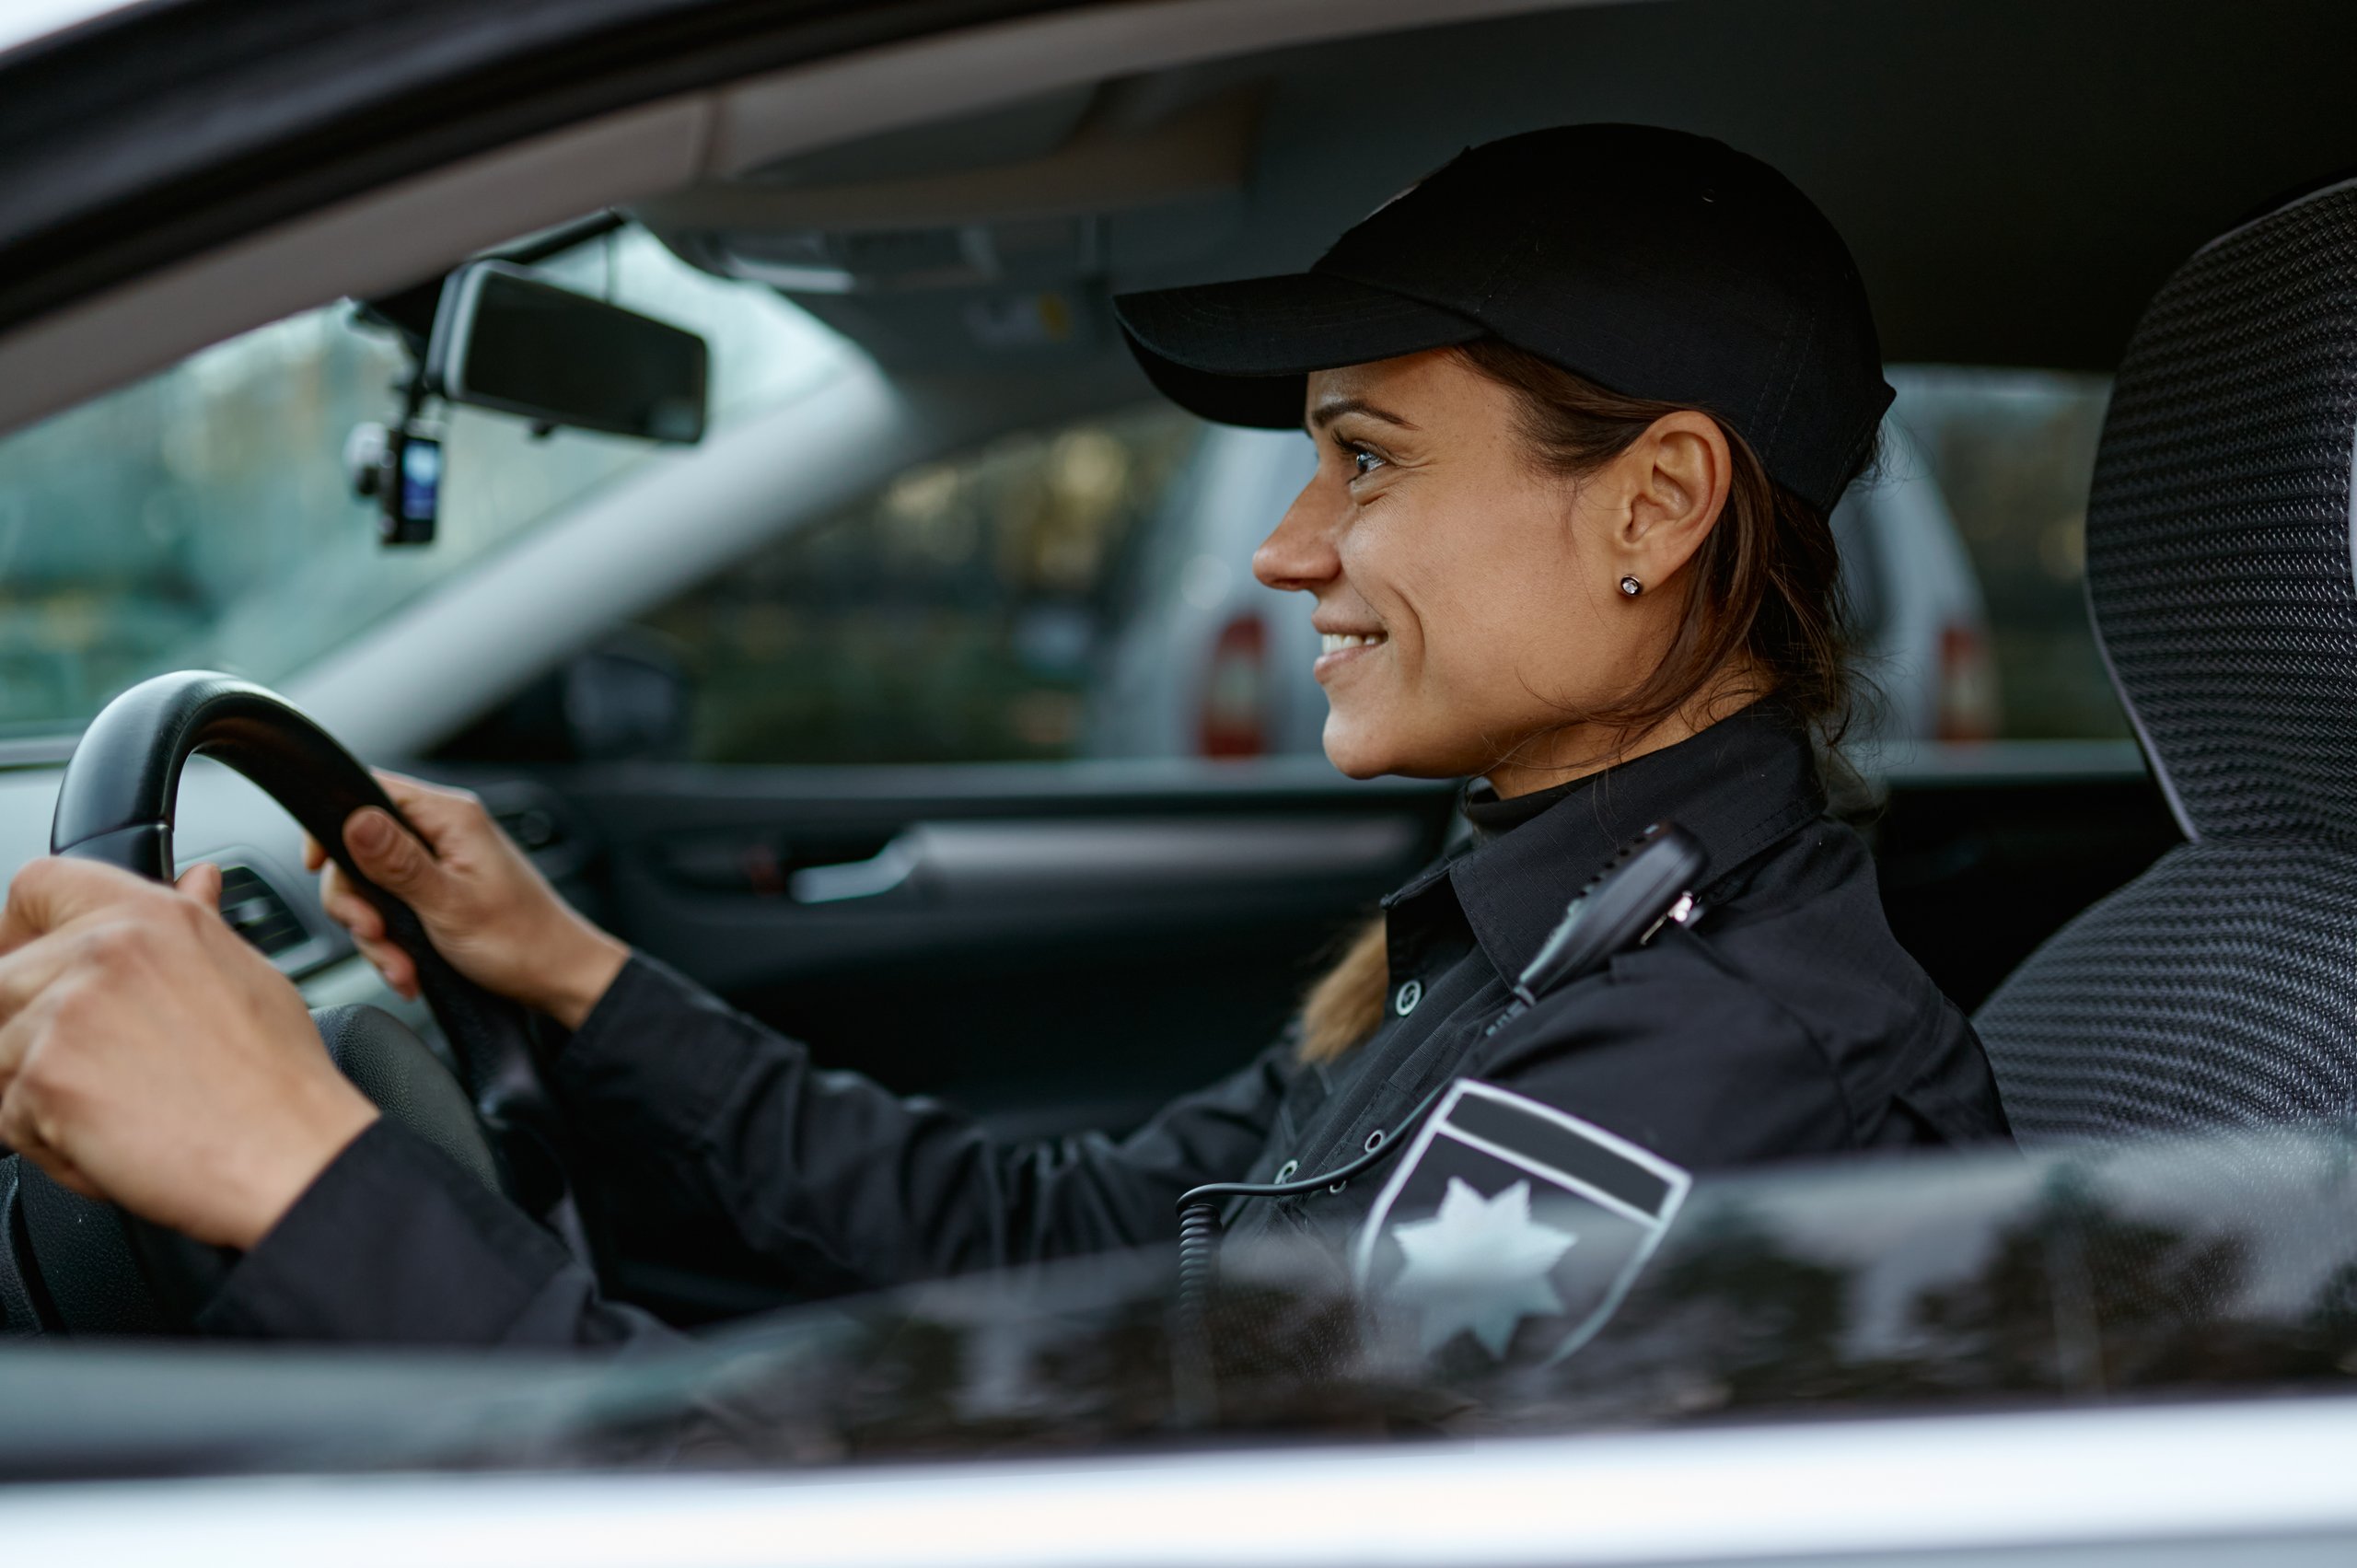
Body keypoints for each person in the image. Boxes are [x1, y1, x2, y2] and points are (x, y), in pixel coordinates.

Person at [0, 124, 2009, 1349]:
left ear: (1651, 507)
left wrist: (305, 1180)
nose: (1289, 552)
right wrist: (577, 981)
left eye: (1362, 460)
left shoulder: (1701, 1072)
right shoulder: (1555, 943)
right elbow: (1057, 1250)